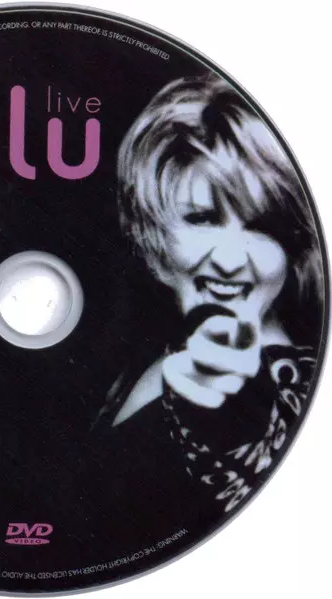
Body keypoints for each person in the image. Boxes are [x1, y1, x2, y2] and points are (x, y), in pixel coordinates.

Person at [94, 74, 323, 517]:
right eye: (202, 219)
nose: (232, 260)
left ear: (293, 243)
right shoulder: (153, 357)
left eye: (262, 226)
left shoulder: (296, 404)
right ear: (152, 230)